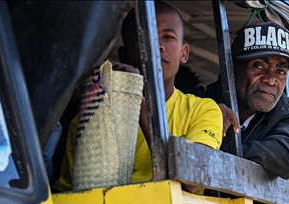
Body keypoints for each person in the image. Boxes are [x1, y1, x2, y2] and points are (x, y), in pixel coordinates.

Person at [54, 2, 223, 192]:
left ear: (184, 54)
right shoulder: (94, 117)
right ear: (124, 55)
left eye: (168, 37)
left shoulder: (202, 110)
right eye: (143, 37)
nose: (157, 45)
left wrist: (144, 111)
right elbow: (70, 192)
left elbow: (192, 181)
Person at [203, 22, 289, 181]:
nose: (270, 80)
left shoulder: (280, 115)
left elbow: (286, 157)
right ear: (232, 69)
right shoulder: (202, 103)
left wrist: (225, 151)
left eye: (280, 71)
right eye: (259, 66)